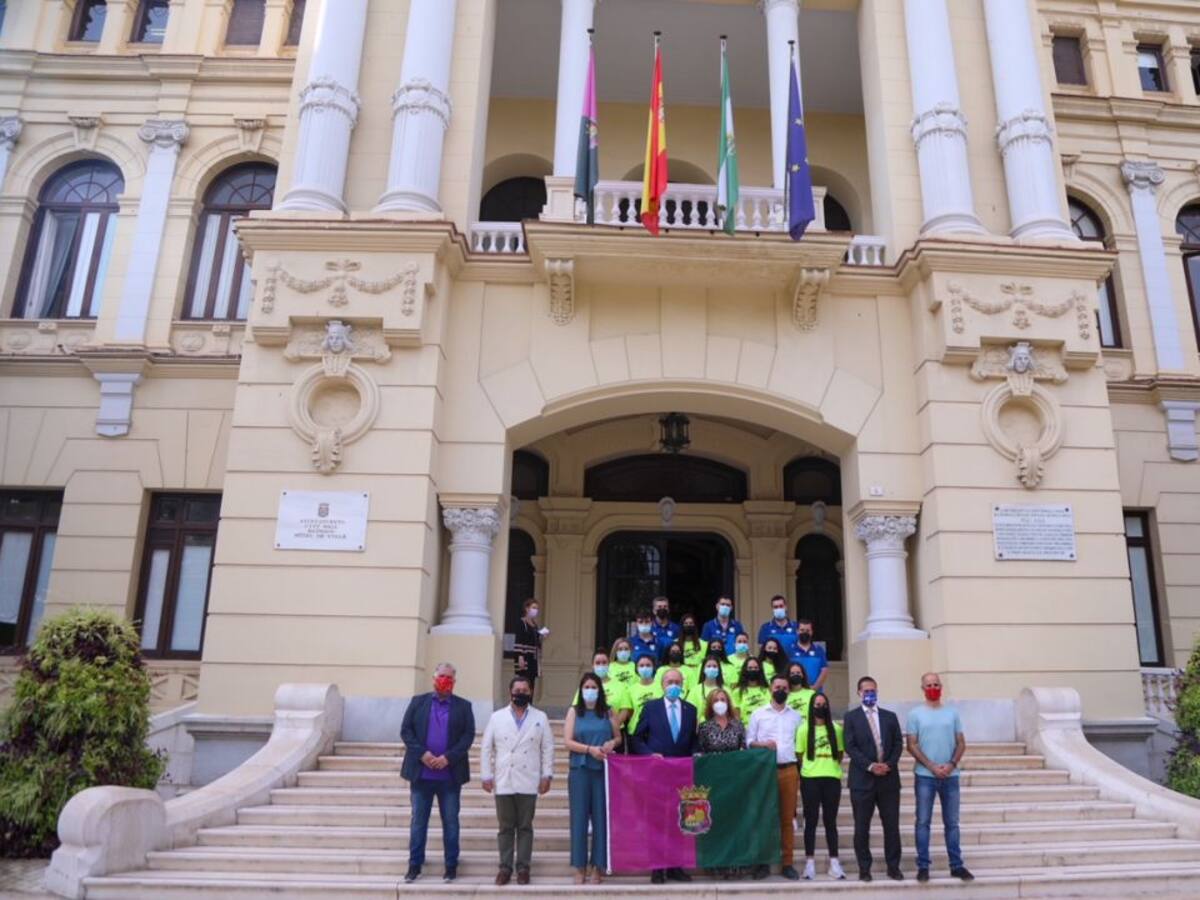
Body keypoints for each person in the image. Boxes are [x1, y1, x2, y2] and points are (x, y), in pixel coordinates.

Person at [400, 663, 476, 884]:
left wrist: (448, 758)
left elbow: (468, 736)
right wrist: (422, 754)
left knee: (451, 821)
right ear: (434, 678)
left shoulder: (464, 706)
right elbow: (406, 731)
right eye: (442, 676)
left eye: (449, 677)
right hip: (421, 776)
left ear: (455, 680)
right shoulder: (418, 702)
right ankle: (414, 865)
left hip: (450, 777)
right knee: (418, 822)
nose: (445, 680)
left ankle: (451, 865)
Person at [480, 675, 555, 886]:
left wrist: (546, 775)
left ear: (530, 692)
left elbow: (548, 748)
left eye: (525, 690)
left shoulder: (540, 717)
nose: (520, 693)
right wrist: (486, 775)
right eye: (517, 690)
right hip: (504, 777)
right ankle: (505, 867)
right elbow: (486, 748)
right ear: (510, 692)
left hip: (529, 779)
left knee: (524, 826)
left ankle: (523, 867)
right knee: (505, 827)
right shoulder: (497, 717)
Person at [631, 667, 697, 885]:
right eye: (669, 682)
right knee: (658, 820)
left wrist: (696, 753)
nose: (673, 686)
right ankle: (658, 867)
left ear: (682, 685)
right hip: (657, 773)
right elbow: (637, 739)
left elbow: (692, 741)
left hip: (681, 774)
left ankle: (675, 866)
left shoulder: (691, 709)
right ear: (662, 685)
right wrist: (650, 754)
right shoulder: (651, 708)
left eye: (677, 682)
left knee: (680, 820)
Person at [906, 672, 974, 884]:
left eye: (936, 684)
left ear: (941, 686)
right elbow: (911, 744)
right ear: (922, 688)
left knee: (952, 823)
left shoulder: (952, 713)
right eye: (929, 685)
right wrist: (932, 766)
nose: (933, 687)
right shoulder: (914, 714)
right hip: (925, 776)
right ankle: (923, 866)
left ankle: (956, 865)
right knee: (923, 822)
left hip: (951, 776)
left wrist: (951, 764)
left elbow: (961, 742)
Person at [843, 676, 903, 882]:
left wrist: (889, 764)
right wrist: (870, 766)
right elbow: (850, 746)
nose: (870, 694)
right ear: (859, 693)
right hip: (862, 780)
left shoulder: (890, 716)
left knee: (892, 826)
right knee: (862, 827)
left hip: (888, 779)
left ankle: (893, 867)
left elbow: (898, 744)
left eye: (873, 691)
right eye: (866, 691)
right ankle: (864, 868)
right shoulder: (851, 717)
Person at [564, 672, 622, 884]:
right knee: (579, 818)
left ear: (599, 690)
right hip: (580, 769)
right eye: (586, 687)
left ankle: (598, 865)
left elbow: (618, 736)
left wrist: (611, 744)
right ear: (581, 690)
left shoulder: (608, 712)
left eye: (593, 687)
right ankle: (579, 867)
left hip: (603, 771)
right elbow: (567, 741)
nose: (590, 691)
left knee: (601, 818)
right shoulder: (574, 712)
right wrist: (589, 749)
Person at [745, 674, 803, 881]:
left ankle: (787, 862)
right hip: (764, 772)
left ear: (789, 691)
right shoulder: (758, 714)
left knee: (787, 818)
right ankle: (762, 863)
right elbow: (749, 741)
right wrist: (763, 745)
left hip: (789, 770)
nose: (781, 690)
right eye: (777, 686)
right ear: (770, 688)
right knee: (763, 817)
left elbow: (801, 744)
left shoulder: (796, 716)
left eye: (785, 688)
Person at [696, 688, 745, 882]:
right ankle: (714, 862)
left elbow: (744, 750)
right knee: (714, 821)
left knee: (733, 820)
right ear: (710, 704)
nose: (720, 702)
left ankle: (734, 862)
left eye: (723, 699)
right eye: (716, 699)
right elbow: (700, 752)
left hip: (734, 780)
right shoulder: (705, 727)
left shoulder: (738, 725)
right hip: (713, 781)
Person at [797, 692, 846, 881]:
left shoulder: (836, 728)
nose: (820, 707)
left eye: (823, 704)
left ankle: (834, 862)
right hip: (810, 779)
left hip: (832, 778)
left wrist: (828, 766)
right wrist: (813, 768)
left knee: (830, 821)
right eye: (817, 704)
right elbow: (800, 755)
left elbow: (840, 754)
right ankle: (810, 863)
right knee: (811, 821)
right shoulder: (803, 730)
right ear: (811, 707)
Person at [574, 649, 632, 732]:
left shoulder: (620, 686)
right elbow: (576, 707)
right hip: (590, 732)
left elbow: (624, 710)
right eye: (597, 663)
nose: (601, 665)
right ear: (592, 666)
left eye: (604, 663)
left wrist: (612, 727)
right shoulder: (586, 685)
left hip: (615, 732)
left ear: (609, 665)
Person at [512, 599, 547, 692]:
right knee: (524, 682)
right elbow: (519, 640)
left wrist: (541, 636)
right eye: (534, 608)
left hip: (533, 659)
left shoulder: (534, 625)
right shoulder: (522, 623)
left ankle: (530, 704)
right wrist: (520, 657)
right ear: (527, 609)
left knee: (531, 684)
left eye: (537, 608)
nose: (536, 610)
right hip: (525, 657)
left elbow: (534, 641)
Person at [625, 653, 663, 735]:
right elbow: (629, 713)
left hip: (657, 731)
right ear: (636, 668)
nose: (645, 668)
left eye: (648, 665)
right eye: (641, 666)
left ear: (653, 667)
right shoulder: (630, 690)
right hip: (636, 731)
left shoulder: (662, 687)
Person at [757, 594, 802, 658]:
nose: (779, 609)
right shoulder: (765, 628)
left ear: (785, 607)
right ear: (772, 609)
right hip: (773, 664)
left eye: (781, 606)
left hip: (792, 664)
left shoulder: (796, 626)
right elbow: (761, 649)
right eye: (776, 607)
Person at [791, 618, 829, 693]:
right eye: (802, 630)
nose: (804, 632)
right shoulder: (789, 650)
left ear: (811, 632)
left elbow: (824, 670)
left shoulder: (819, 650)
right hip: (795, 692)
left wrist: (814, 688)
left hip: (815, 692)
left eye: (807, 630)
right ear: (797, 631)